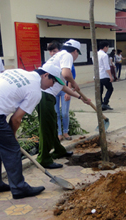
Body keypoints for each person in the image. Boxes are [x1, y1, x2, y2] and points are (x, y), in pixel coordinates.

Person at [0, 64, 64, 199]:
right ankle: (19, 188)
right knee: (12, 150)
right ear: (45, 75)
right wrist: (12, 137)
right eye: (53, 82)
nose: (52, 86)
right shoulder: (35, 91)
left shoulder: (18, 72)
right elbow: (16, 119)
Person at [38, 39, 89, 169]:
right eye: (78, 54)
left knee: (52, 123)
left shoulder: (58, 57)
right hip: (44, 95)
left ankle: (59, 150)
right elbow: (66, 75)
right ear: (75, 51)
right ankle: (43, 158)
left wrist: (79, 97)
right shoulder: (67, 55)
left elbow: (62, 86)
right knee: (47, 127)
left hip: (47, 95)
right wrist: (74, 83)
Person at [47, 41, 74, 141]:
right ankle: (59, 133)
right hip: (54, 90)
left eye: (54, 51)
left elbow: (70, 77)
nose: (53, 53)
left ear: (59, 51)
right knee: (56, 113)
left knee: (65, 113)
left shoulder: (66, 61)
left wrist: (68, 91)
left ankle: (66, 132)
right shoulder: (51, 62)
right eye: (51, 51)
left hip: (64, 89)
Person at [97, 41, 114, 111]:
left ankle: (101, 105)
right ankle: (105, 102)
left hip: (97, 75)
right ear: (105, 47)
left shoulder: (95, 54)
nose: (107, 49)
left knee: (100, 91)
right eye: (107, 47)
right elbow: (107, 67)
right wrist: (110, 76)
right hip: (104, 75)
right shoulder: (104, 55)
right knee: (110, 89)